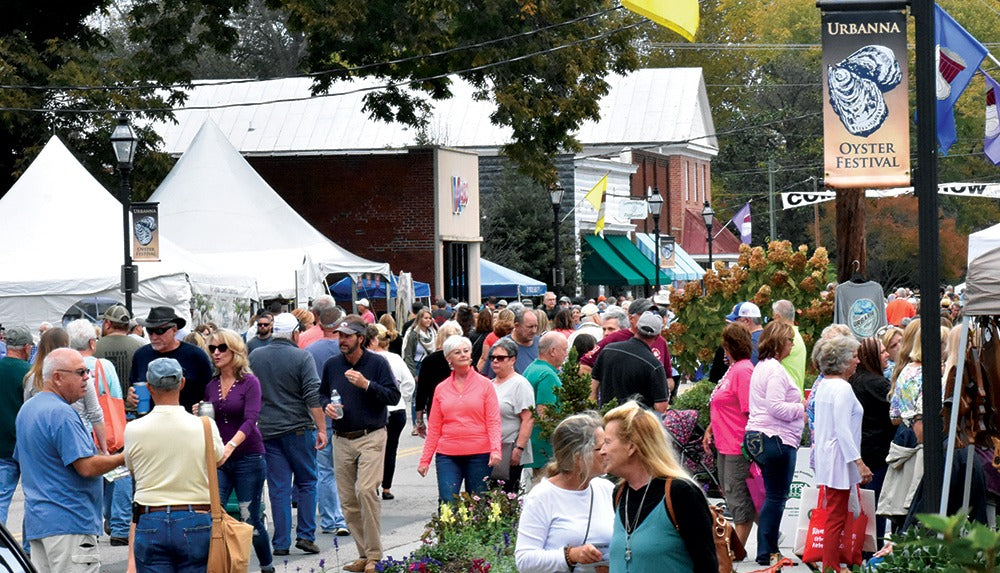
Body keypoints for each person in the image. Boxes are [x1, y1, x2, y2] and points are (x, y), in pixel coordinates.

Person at [16, 348, 125, 572]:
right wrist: (124, 458)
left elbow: (25, 459)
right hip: (70, 522)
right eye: (80, 372)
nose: (87, 378)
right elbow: (86, 466)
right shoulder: (62, 413)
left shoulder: (27, 410)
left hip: (40, 523)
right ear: (58, 377)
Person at [126, 357, 224, 573]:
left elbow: (133, 469)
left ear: (149, 388)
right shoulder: (204, 426)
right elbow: (218, 459)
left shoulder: (134, 429)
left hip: (151, 516)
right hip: (195, 515)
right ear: (181, 383)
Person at [321, 316, 401, 573]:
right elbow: (322, 392)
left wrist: (366, 384)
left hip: (372, 435)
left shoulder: (377, 363)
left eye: (347, 336)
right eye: (339, 336)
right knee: (347, 500)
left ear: (361, 338)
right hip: (342, 437)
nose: (341, 341)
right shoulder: (332, 365)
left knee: (366, 491)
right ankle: (364, 554)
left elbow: (393, 395)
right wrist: (327, 406)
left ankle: (375, 557)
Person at [603, 401, 718, 573]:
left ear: (632, 446)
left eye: (607, 442)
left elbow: (706, 565)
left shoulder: (681, 493)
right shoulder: (620, 494)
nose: (602, 450)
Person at [249, 312, 327, 556]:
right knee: (306, 481)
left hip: (268, 430)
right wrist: (322, 428)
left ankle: (281, 541)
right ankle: (305, 535)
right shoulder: (302, 357)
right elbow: (312, 396)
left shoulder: (255, 356)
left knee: (278, 487)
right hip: (298, 428)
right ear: (295, 333)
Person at [199, 329, 274, 572]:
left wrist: (231, 446)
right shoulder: (211, 385)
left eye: (222, 348)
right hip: (220, 458)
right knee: (214, 514)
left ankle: (267, 566)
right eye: (212, 349)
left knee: (249, 515)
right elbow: (212, 420)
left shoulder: (249, 382)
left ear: (235, 351)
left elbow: (250, 419)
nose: (216, 353)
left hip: (248, 456)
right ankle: (223, 564)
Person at [515, 413, 613, 573]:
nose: (606, 452)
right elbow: (524, 560)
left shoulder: (607, 490)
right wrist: (570, 556)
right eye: (600, 447)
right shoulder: (542, 496)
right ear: (578, 457)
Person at [742, 319, 804, 566]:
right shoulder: (776, 371)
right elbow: (776, 406)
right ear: (780, 341)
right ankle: (767, 551)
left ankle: (769, 549)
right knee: (777, 497)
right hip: (776, 437)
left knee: (772, 496)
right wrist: (800, 407)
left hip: (760, 436)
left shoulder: (762, 366)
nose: (792, 344)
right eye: (789, 339)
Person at [813, 335, 873, 573]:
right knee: (836, 515)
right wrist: (859, 462)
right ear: (843, 361)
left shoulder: (825, 385)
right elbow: (843, 429)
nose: (858, 361)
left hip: (830, 455)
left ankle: (836, 562)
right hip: (839, 457)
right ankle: (832, 565)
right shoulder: (843, 388)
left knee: (837, 512)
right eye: (855, 357)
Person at [417, 335, 501, 502]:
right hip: (448, 454)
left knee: (478, 504)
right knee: (448, 501)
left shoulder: (485, 385)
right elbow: (434, 427)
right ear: (449, 359)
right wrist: (425, 460)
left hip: (479, 453)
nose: (463, 355)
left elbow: (493, 420)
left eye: (466, 351)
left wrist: (495, 449)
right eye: (457, 352)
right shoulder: (441, 389)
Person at [702, 321, 756, 545]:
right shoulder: (733, 369)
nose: (723, 350)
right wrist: (711, 428)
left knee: (738, 498)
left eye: (725, 345)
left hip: (737, 444)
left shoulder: (743, 371)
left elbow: (749, 409)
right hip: (725, 442)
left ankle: (737, 549)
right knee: (731, 493)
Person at [303, 307, 350, 536]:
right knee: (347, 470)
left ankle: (331, 518)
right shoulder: (348, 350)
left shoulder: (311, 350)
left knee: (325, 471)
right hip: (347, 417)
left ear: (320, 325)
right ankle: (345, 516)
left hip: (320, 415)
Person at [24, 327, 107, 452]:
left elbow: (28, 413)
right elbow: (95, 413)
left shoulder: (33, 378)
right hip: (79, 438)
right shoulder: (81, 374)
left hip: (45, 441)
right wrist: (104, 449)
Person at [850, 336, 895, 543]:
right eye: (883, 351)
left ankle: (862, 545)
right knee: (875, 503)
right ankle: (871, 545)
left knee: (864, 504)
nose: (887, 355)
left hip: (862, 449)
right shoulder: (878, 384)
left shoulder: (854, 381)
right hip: (878, 451)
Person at [131, 306, 213, 411]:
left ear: (174, 330)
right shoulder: (141, 355)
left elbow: (209, 393)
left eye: (160, 331)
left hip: (185, 422)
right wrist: (132, 396)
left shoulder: (196, 356)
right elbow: (134, 384)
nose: (154, 336)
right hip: (150, 422)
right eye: (150, 330)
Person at [367, 323, 415, 501]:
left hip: (376, 409)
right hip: (396, 409)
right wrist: (401, 398)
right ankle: (387, 486)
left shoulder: (369, 359)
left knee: (372, 450)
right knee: (391, 449)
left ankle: (374, 484)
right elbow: (409, 382)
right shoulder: (395, 359)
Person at [590, 312, 670, 412]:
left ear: (636, 329)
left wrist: (594, 412)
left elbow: (593, 386)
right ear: (658, 336)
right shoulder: (654, 365)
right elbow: (661, 406)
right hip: (635, 423)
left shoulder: (608, 350)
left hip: (607, 418)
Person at [488, 338, 535, 493]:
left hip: (510, 447)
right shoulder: (490, 384)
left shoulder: (520, 384)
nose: (495, 361)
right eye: (492, 358)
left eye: (501, 358)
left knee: (506, 493)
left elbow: (528, 418)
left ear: (513, 359)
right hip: (490, 448)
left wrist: (519, 448)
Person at [523, 331, 569, 475]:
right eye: (564, 349)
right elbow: (544, 414)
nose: (567, 354)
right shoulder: (547, 375)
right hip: (544, 449)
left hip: (533, 446)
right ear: (553, 351)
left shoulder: (532, 368)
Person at [0, 325, 30, 525]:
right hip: (26, 445)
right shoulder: (29, 373)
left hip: (2, 445)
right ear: (27, 348)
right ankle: (29, 548)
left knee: (1, 498)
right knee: (33, 499)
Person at [413, 322, 463, 437]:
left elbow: (421, 392)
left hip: (436, 409)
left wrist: (419, 420)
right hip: (461, 409)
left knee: (441, 443)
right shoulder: (463, 360)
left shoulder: (429, 361)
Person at [94, 305, 144, 397]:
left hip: (106, 407)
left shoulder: (94, 348)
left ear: (108, 323)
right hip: (134, 406)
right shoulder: (140, 347)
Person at [481, 306, 539, 377]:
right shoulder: (500, 347)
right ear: (516, 325)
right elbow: (490, 380)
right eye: (530, 327)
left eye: (536, 326)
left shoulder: (542, 344)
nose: (534, 331)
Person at [773, 300, 807, 391]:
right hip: (796, 393)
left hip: (786, 395)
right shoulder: (797, 336)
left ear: (777, 317)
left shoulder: (784, 337)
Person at [402, 308, 436, 379]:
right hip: (418, 366)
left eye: (430, 318)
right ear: (420, 319)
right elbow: (408, 354)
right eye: (426, 318)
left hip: (431, 366)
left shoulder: (433, 333)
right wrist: (414, 374)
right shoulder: (413, 334)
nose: (428, 320)